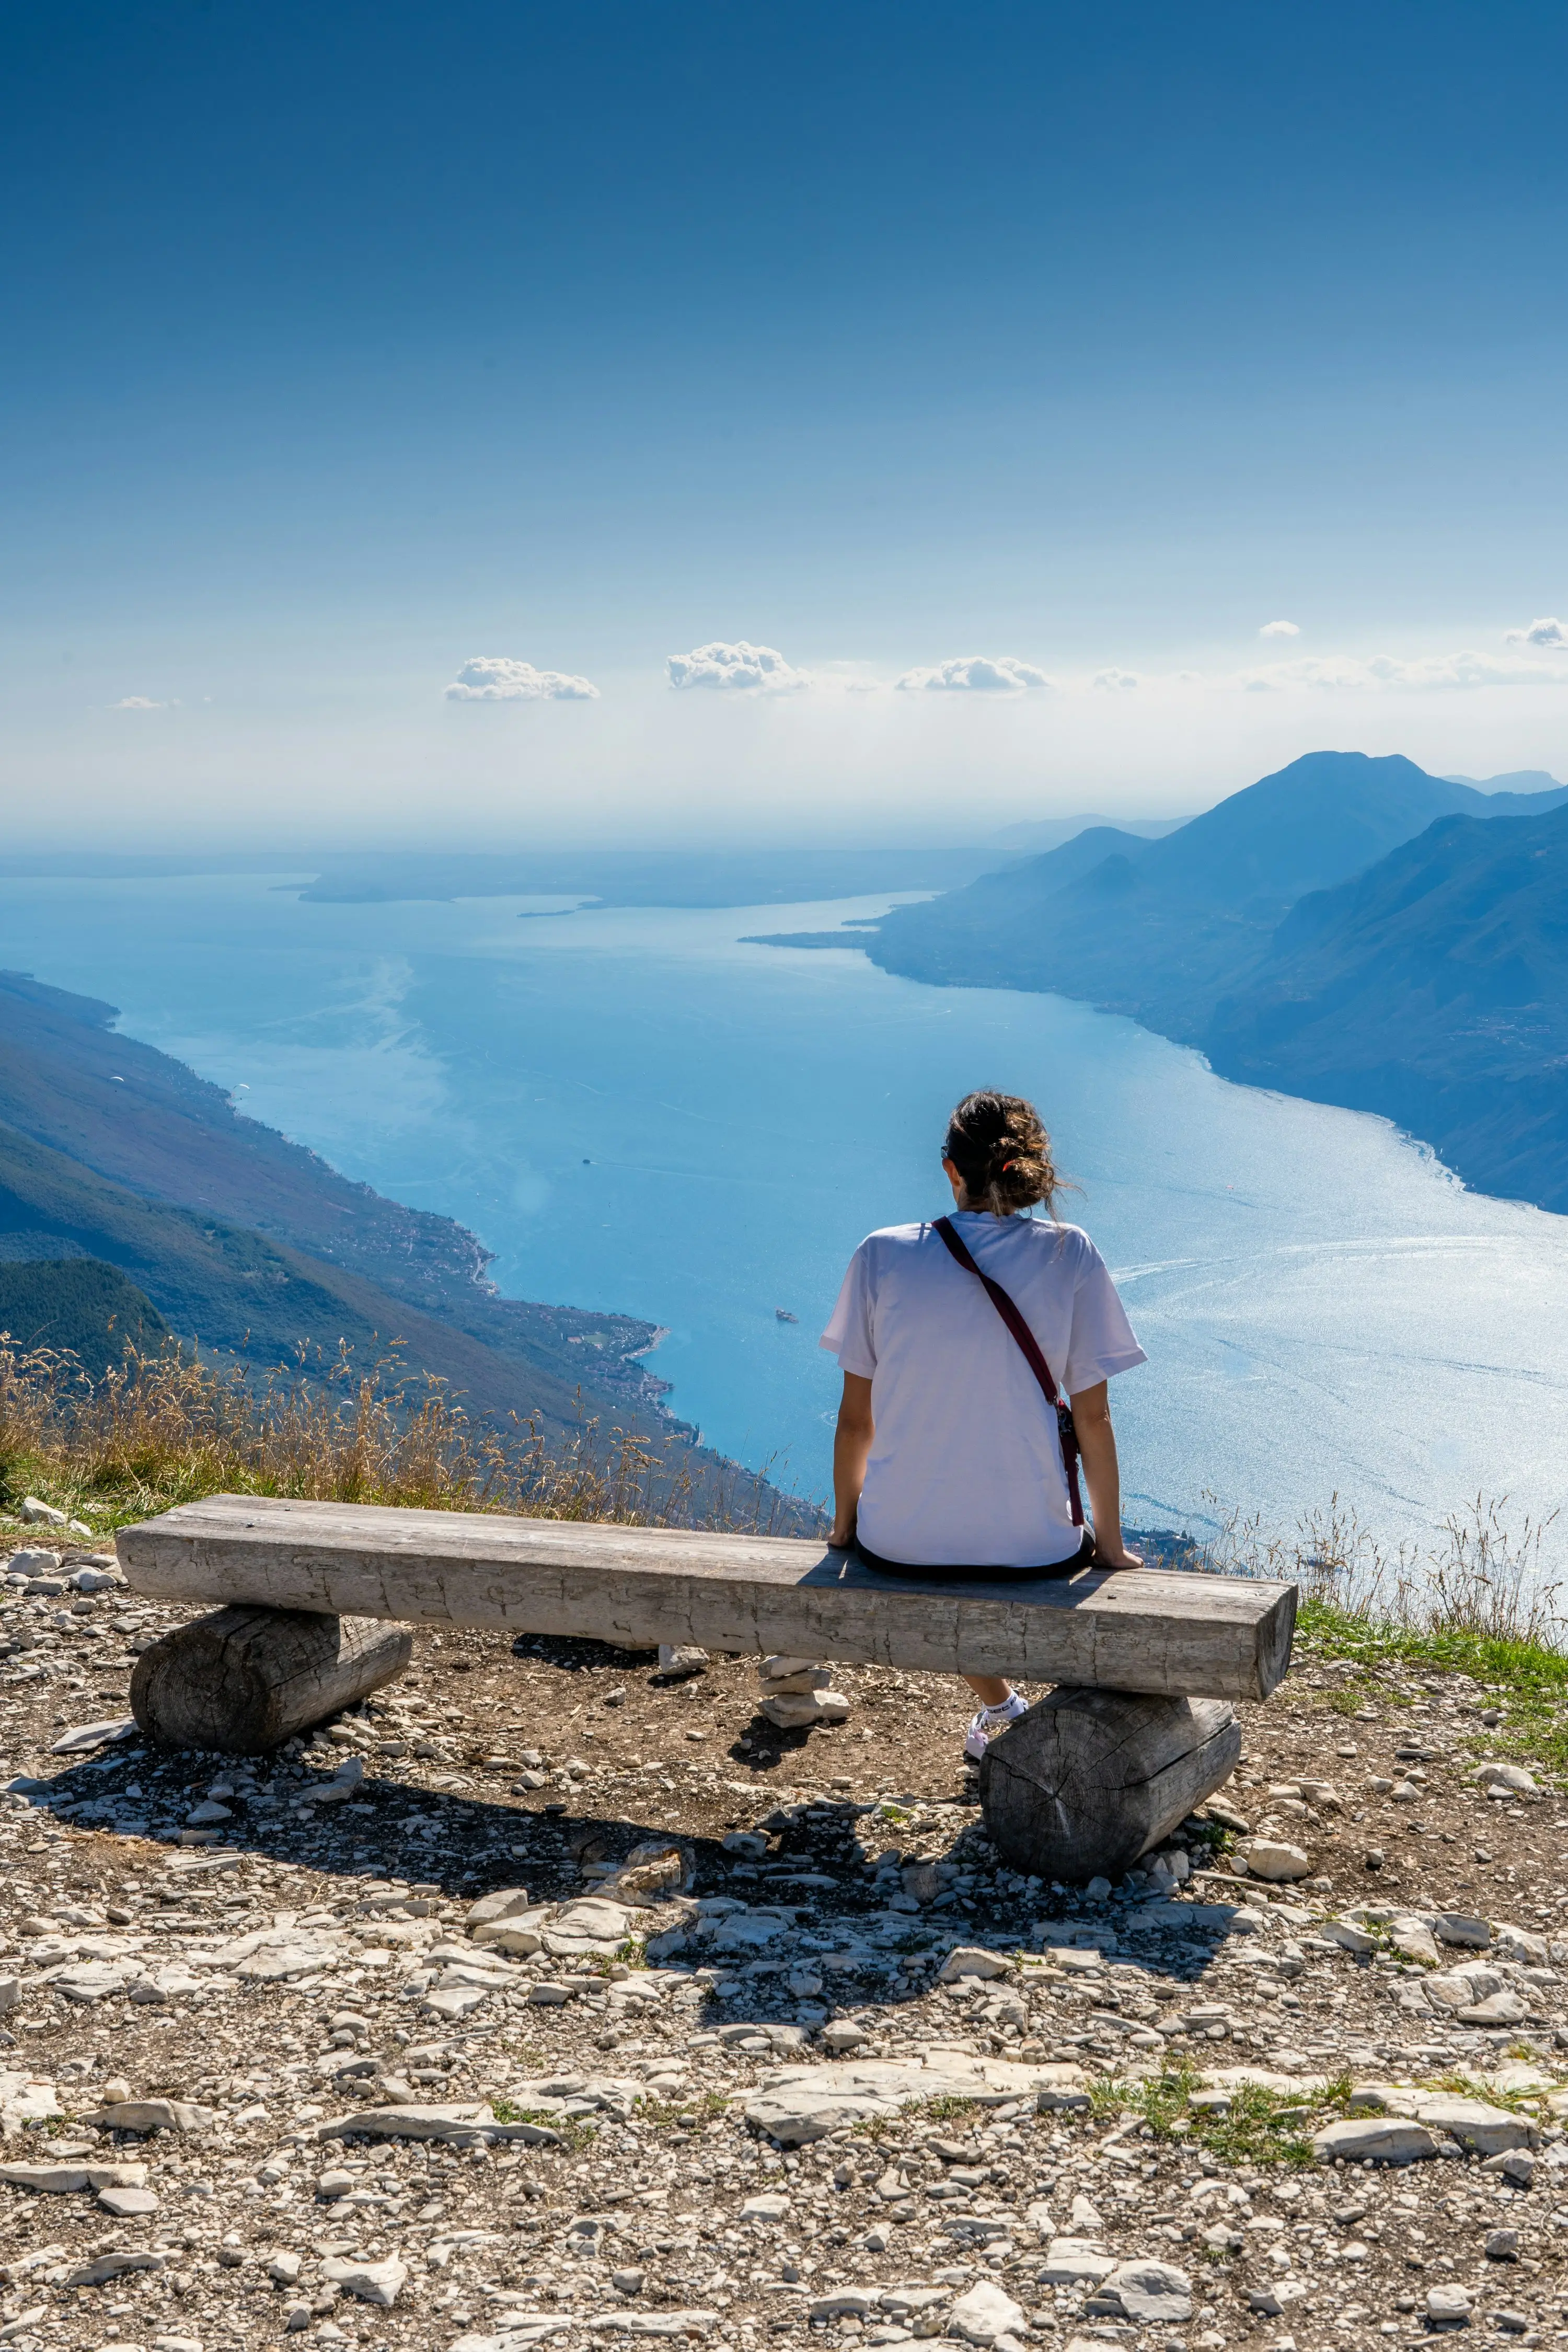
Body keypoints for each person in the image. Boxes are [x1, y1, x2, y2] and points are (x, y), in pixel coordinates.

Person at [819, 1088, 1147, 1762]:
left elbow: (856, 1422)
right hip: (1036, 1548)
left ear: (951, 1170)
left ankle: (1002, 1705)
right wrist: (1109, 1546)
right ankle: (1021, 1714)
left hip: (897, 1544)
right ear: (1029, 1170)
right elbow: (1093, 1418)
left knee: (938, 1541)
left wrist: (847, 1527)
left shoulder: (883, 1254)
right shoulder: (1071, 1253)